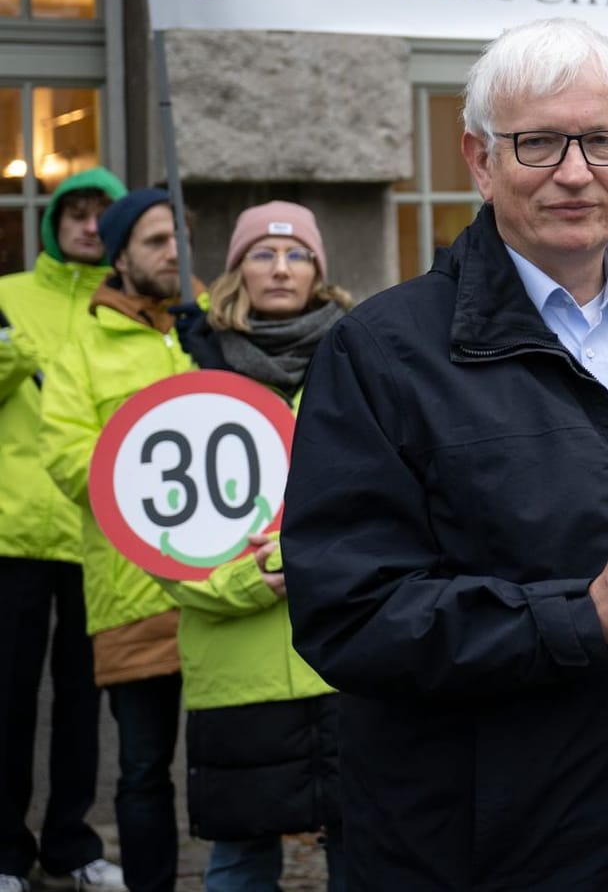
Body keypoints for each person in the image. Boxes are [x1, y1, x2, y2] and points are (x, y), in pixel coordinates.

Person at [280, 18, 608, 889]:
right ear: (480, 161)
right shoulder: (381, 353)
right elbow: (349, 616)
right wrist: (580, 615)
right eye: (538, 143)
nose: (575, 172)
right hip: (491, 852)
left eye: (601, 140)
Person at [166, 203, 352, 891]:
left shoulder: (360, 361)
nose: (280, 267)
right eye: (263, 254)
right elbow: (158, 537)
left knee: (360, 847)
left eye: (297, 254)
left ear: (318, 270)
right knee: (241, 858)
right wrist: (254, 581)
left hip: (343, 659)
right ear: (236, 270)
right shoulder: (187, 376)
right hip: (237, 668)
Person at [40, 188, 202, 892]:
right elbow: (66, 455)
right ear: (121, 256)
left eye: (180, 240)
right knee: (142, 770)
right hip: (134, 590)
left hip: (230, 589)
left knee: (238, 757)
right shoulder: (83, 345)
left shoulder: (215, 327)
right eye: (157, 241)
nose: (174, 254)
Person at [0, 168, 129, 892]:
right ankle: (4, 851)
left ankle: (73, 844)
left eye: (99, 215)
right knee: (9, 698)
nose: (87, 227)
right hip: (14, 531)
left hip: (98, 530)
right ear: (53, 226)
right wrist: (12, 355)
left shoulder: (134, 303)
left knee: (85, 701)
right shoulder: (6, 297)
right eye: (74, 215)